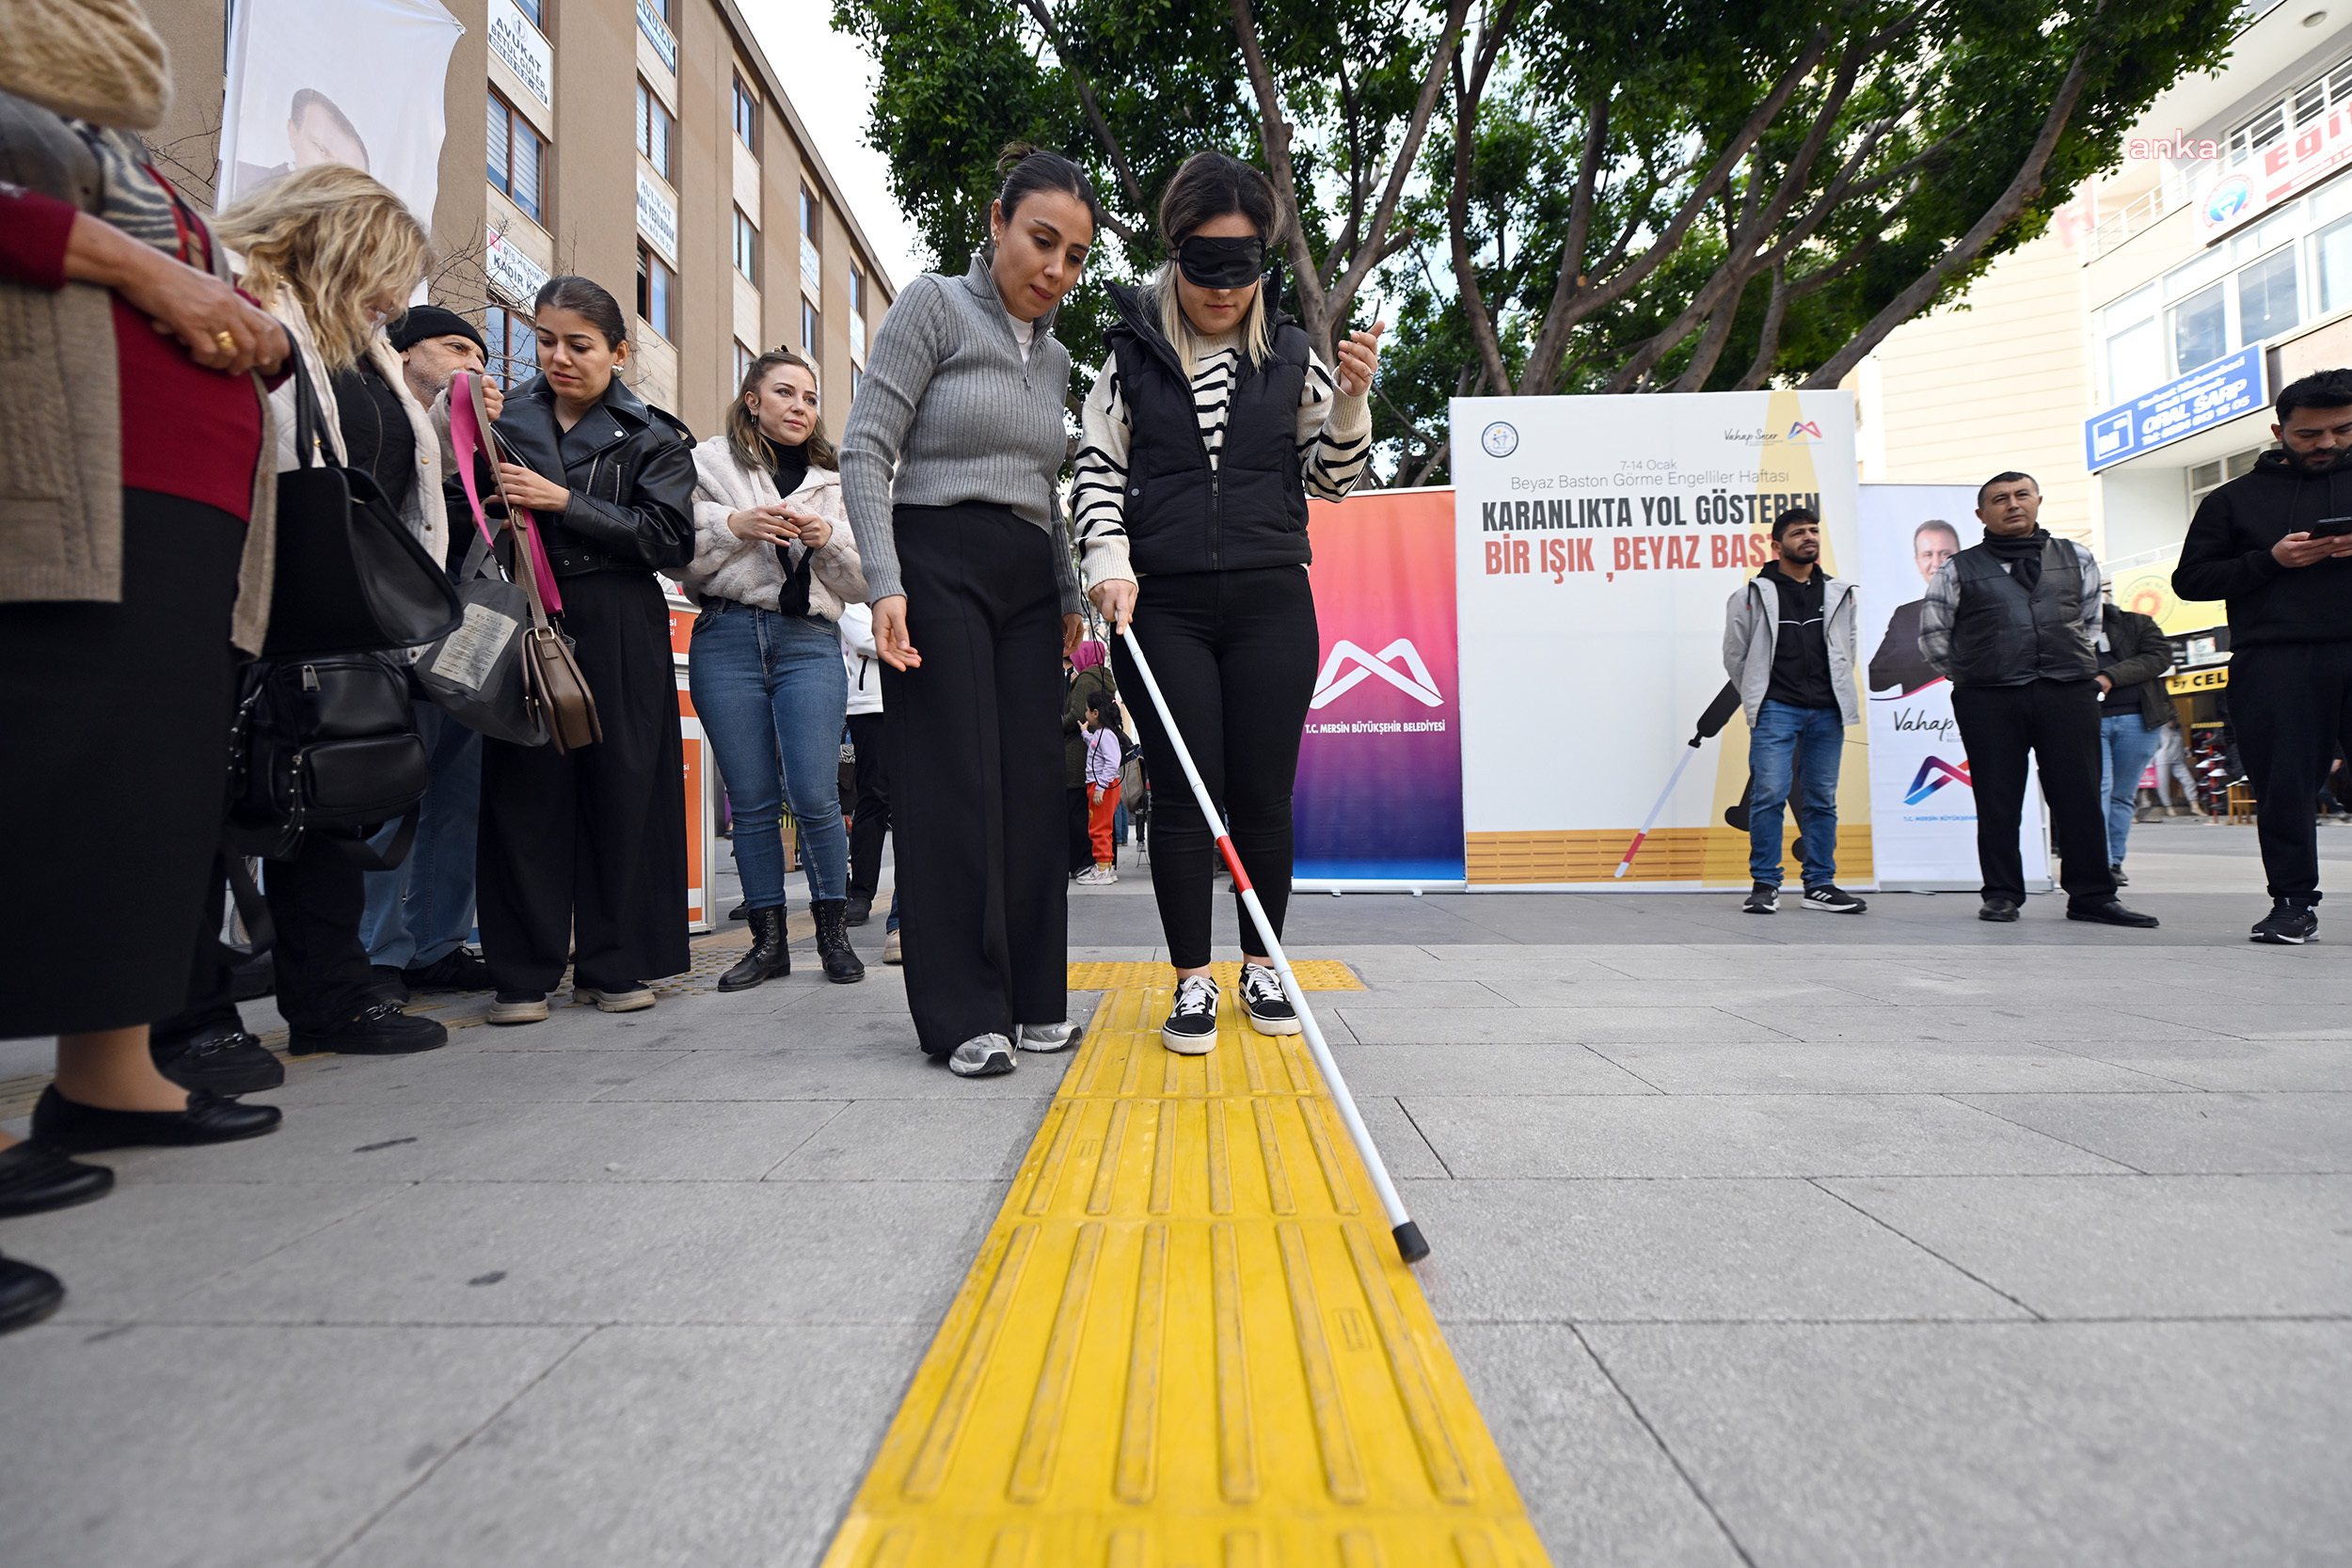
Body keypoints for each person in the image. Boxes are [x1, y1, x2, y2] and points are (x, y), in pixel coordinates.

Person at [0, 10, 289, 1331]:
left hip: (175, 501)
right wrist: (152, 277)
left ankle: (110, 1067)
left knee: (140, 785)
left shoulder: (126, 150)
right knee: (41, 768)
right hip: (64, 478)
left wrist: (246, 324)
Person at [1075, 149, 1381, 1053]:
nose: (1222, 288)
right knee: (1179, 795)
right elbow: (1096, 469)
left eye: (1242, 267)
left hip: (1271, 601)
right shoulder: (1128, 357)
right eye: (1205, 265)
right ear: (1175, 255)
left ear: (1265, 265)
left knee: (1262, 797)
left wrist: (1352, 401)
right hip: (1157, 603)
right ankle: (1191, 981)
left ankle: (1262, 964)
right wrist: (1106, 558)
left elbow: (1334, 480)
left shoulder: (1291, 356)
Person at [149, 164, 452, 1062]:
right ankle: (191, 1016)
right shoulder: (241, 301)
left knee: (326, 793)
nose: (398, 300)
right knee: (206, 799)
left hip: (332, 613)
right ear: (340, 243)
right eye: (388, 270)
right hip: (231, 589)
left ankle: (331, 995)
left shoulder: (366, 354)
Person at [840, 145, 1097, 1078]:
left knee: (1034, 786)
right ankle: (961, 1011)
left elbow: (1044, 488)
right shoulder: (934, 306)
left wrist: (1069, 594)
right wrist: (885, 580)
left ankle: (1036, 998)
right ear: (996, 222)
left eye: (1073, 256)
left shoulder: (1059, 357)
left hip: (1029, 575)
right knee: (954, 783)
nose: (1053, 270)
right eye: (1040, 241)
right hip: (935, 554)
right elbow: (865, 445)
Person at [470, 276, 698, 1022]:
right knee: (524, 789)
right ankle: (521, 971)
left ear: (618, 352)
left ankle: (615, 960)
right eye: (545, 340)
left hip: (620, 615)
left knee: (624, 788)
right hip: (529, 610)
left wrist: (565, 501)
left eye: (579, 344)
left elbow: (670, 540)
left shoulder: (656, 435)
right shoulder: (501, 418)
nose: (559, 357)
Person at [684, 345, 866, 989]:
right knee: (754, 799)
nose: (801, 407)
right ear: (753, 400)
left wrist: (828, 539)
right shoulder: (709, 463)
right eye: (786, 393)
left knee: (816, 793)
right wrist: (736, 523)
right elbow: (679, 552)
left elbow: (867, 580)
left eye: (811, 397)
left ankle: (833, 935)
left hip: (809, 641)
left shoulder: (840, 479)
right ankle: (767, 943)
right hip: (726, 635)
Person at [1920, 471, 2158, 927]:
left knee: (2080, 795)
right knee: (1997, 797)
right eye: (1999, 499)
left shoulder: (2077, 557)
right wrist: (1972, 673)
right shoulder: (1957, 568)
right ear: (1980, 514)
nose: (2012, 504)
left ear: (2038, 501)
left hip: (2066, 691)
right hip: (1988, 696)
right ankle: (2002, 894)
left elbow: (2089, 624)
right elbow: (1934, 635)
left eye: (2021, 495)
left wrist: (2067, 665)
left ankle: (2092, 895)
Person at [2172, 368, 2352, 944]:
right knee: (2284, 785)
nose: (2327, 443)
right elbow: (2190, 580)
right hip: (2276, 658)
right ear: (2279, 431)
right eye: (2309, 435)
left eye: (2342, 430)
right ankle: (2293, 904)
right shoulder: (2233, 500)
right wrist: (2270, 560)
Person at [358, 305, 501, 1000]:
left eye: (481, 355)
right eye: (454, 348)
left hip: (466, 622)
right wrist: (450, 429)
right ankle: (377, 952)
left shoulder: (485, 436)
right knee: (389, 785)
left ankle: (439, 941)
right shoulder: (377, 410)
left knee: (457, 787)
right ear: (405, 352)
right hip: (390, 622)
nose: (473, 364)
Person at [1722, 506, 1866, 915]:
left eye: (1814, 531)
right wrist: (1759, 696)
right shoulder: (1751, 594)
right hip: (1776, 710)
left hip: (1827, 711)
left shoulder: (1841, 593)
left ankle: (1820, 884)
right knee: (1768, 795)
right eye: (1799, 532)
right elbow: (1736, 655)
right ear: (1777, 544)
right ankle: (1765, 884)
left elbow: (1846, 651)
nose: (1809, 537)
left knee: (1821, 799)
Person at [2092, 591, 2175, 886]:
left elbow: (2160, 657)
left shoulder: (2137, 623)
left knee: (2122, 795)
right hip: (2088, 720)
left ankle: (2114, 862)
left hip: (2139, 718)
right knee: (2097, 792)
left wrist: (2109, 676)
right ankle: (2096, 862)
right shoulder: (2062, 627)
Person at [840, 600, 891, 926]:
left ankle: (918, 892)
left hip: (919, 700)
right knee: (874, 797)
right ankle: (861, 893)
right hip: (870, 706)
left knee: (918, 800)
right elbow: (866, 641)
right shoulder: (854, 590)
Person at [1868, 518, 1959, 695]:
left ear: (1961, 555)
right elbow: (1875, 680)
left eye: (1945, 553)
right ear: (1917, 562)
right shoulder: (1904, 615)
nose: (1937, 563)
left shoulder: (1983, 604)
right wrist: (1916, 651)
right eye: (1927, 555)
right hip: (1920, 720)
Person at [1064, 640, 1117, 878]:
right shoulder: (1103, 678)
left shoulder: (1086, 679)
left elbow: (1076, 715)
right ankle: (1104, 862)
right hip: (1094, 756)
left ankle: (1087, 863)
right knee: (1100, 819)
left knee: (1081, 814)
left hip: (1080, 759)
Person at [1079, 689, 1126, 884]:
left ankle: (1103, 869)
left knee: (1099, 828)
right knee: (1100, 826)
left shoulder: (1106, 735)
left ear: (1096, 713)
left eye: (1087, 710)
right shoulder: (1102, 734)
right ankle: (1105, 866)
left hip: (1102, 787)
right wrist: (1085, 734)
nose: (1085, 714)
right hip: (1102, 786)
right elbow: (1095, 746)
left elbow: (1112, 761)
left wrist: (1100, 786)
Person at [2149, 720, 2210, 819]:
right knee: (2163, 784)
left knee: (2189, 781)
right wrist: (2150, 761)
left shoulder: (2179, 728)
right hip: (2163, 758)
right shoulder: (2160, 728)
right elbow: (2155, 744)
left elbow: (2182, 743)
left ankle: (2194, 805)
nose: (2171, 722)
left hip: (2178, 758)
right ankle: (2169, 807)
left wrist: (2186, 753)